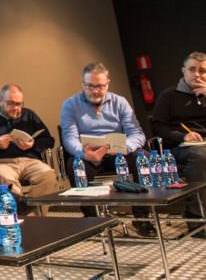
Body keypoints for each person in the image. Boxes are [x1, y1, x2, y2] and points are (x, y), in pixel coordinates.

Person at [61, 62, 155, 237]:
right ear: (83, 84)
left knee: (144, 158)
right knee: (74, 165)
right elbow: (69, 138)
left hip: (119, 152)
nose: (95, 91)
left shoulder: (120, 102)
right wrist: (84, 153)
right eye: (90, 86)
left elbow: (136, 133)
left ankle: (143, 217)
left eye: (100, 86)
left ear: (108, 84)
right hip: (90, 155)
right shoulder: (70, 105)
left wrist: (126, 147)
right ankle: (92, 219)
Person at [0, 84, 58, 211]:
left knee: (48, 176)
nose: (16, 108)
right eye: (11, 104)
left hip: (29, 161)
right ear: (0, 101)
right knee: (8, 184)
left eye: (19, 104)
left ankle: (33, 218)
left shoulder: (29, 115)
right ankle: (20, 218)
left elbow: (49, 140)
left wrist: (33, 144)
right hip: (1, 163)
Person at [152, 51, 206, 232]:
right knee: (200, 155)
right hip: (180, 147)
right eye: (192, 69)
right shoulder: (169, 96)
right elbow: (158, 127)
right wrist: (183, 136)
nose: (197, 74)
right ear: (184, 71)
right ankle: (197, 219)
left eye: (203, 70)